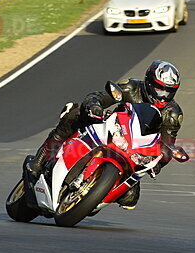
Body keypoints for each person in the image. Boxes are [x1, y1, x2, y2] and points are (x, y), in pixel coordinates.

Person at [27, 60, 184, 210]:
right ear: (149, 83)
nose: (163, 96)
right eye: (159, 89)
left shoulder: (172, 114)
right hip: (109, 128)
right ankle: (40, 161)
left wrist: (158, 162)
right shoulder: (131, 87)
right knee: (73, 114)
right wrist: (94, 106)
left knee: (130, 198)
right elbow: (98, 96)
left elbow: (167, 144)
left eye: (169, 91)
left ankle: (93, 197)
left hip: (134, 151)